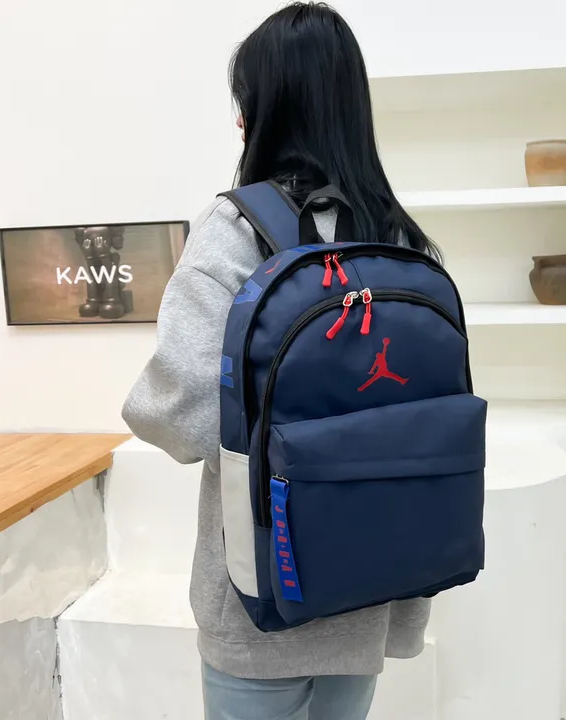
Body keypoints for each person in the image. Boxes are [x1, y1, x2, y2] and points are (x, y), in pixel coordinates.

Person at [122, 3, 439, 719]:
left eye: (246, 101)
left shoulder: (237, 230)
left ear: (261, 113)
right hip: (373, 587)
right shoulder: (398, 239)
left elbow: (182, 415)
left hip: (264, 595)